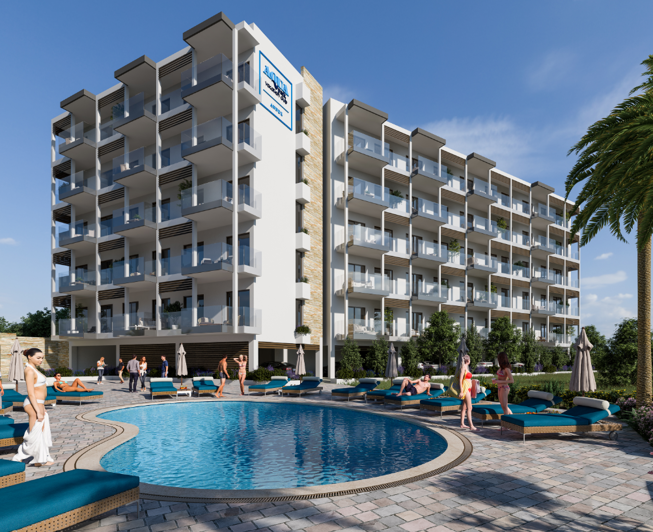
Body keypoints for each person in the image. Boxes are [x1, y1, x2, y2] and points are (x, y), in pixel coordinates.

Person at [12, 348, 54, 466]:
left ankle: (39, 458)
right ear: (30, 357)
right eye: (38, 357)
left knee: (41, 432)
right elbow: (31, 393)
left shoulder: (34, 369)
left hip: (39, 403)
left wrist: (42, 407)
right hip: (32, 404)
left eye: (42, 358)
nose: (41, 360)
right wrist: (38, 411)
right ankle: (20, 456)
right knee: (34, 433)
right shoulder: (29, 370)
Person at [456, 354, 477, 431]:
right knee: (469, 407)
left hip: (468, 388)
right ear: (468, 360)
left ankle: (462, 424)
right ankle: (471, 426)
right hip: (466, 389)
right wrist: (461, 391)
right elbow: (460, 380)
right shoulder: (463, 368)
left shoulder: (466, 368)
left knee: (464, 407)